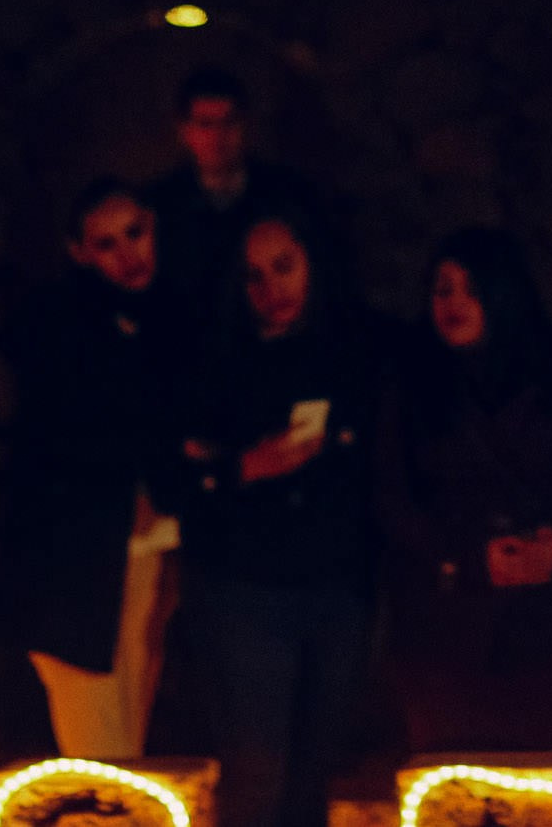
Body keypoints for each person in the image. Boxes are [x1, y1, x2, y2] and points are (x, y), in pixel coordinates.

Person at [162, 208, 376, 827]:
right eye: (254, 275)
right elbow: (181, 477)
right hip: (244, 589)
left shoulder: (350, 353)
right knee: (258, 772)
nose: (272, 289)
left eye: (284, 268)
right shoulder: (214, 365)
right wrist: (244, 468)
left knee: (315, 773)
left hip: (335, 588)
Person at [378, 228, 552, 752]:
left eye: (470, 288)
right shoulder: (412, 388)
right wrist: (467, 556)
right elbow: (393, 499)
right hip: (442, 626)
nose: (454, 303)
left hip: (546, 623)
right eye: (443, 289)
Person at [0, 178, 182, 760]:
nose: (128, 255)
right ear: (80, 253)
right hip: (73, 576)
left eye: (135, 234)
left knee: (129, 741)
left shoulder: (164, 318)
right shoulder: (62, 329)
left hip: (137, 554)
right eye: (107, 244)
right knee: (101, 754)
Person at [144, 66, 328, 344]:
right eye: (206, 124)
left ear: (246, 125)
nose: (219, 136)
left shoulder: (288, 194)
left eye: (230, 122)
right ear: (184, 131)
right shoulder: (160, 206)